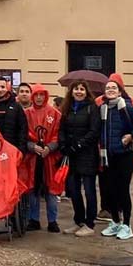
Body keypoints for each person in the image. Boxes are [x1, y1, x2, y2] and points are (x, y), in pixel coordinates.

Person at [97, 78, 133, 241]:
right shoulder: (102, 109)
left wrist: (132, 135)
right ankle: (115, 222)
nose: (111, 90)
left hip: (124, 155)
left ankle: (126, 225)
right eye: (108, 88)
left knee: (122, 191)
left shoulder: (127, 108)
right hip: (107, 156)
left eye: (114, 88)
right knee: (109, 191)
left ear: (120, 91)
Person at [57, 81, 101, 236]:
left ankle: (89, 223)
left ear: (86, 92)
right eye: (76, 89)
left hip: (87, 154)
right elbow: (61, 129)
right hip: (71, 155)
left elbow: (94, 131)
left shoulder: (92, 108)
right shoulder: (67, 108)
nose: (79, 91)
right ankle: (79, 221)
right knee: (73, 191)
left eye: (82, 89)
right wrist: (63, 145)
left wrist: (80, 145)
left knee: (89, 191)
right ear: (71, 91)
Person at [24, 84, 62, 232]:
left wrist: (50, 147)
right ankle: (34, 219)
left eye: (42, 95)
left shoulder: (55, 113)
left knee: (51, 190)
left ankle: (53, 221)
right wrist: (32, 146)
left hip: (49, 158)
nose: (39, 98)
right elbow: (21, 135)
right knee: (33, 189)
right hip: (32, 158)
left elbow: (59, 134)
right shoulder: (26, 114)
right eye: (36, 95)